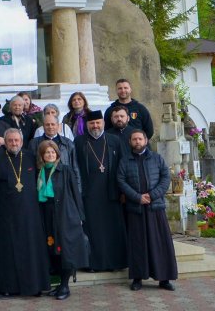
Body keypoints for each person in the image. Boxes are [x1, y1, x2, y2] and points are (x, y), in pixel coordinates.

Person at [0, 128, 50, 297]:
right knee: (9, 251)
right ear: (5, 142)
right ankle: (9, 287)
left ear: (22, 141)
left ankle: (34, 286)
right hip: (6, 214)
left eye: (16, 140)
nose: (14, 143)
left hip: (30, 214)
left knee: (32, 250)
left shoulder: (31, 157)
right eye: (10, 141)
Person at [117, 130, 178, 292]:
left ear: (145, 140)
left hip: (155, 208)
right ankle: (138, 278)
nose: (137, 141)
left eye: (140, 139)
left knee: (160, 244)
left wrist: (152, 195)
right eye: (134, 139)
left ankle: (164, 279)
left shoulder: (157, 158)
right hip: (136, 208)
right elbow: (121, 181)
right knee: (138, 245)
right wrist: (137, 197)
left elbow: (165, 178)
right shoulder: (125, 160)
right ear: (130, 142)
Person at [74, 110, 128, 271]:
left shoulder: (114, 140)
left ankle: (115, 263)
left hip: (111, 193)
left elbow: (123, 166)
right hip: (89, 194)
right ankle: (92, 264)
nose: (95, 126)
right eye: (92, 123)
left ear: (103, 123)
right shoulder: (79, 142)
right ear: (87, 125)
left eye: (98, 122)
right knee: (93, 231)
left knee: (112, 229)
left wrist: (124, 191)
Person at [36, 140, 89, 301]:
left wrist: (80, 216)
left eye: (53, 152)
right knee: (53, 249)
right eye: (47, 152)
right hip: (47, 213)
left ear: (57, 154)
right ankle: (60, 283)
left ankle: (65, 285)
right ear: (42, 156)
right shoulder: (40, 172)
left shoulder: (65, 170)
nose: (50, 155)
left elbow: (75, 194)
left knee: (65, 249)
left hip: (65, 214)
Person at [29, 113, 82, 194]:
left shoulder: (68, 143)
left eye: (53, 124)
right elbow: (31, 169)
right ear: (43, 126)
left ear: (58, 125)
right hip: (42, 187)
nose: (50, 127)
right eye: (47, 124)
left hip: (64, 187)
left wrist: (77, 191)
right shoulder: (34, 143)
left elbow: (75, 168)